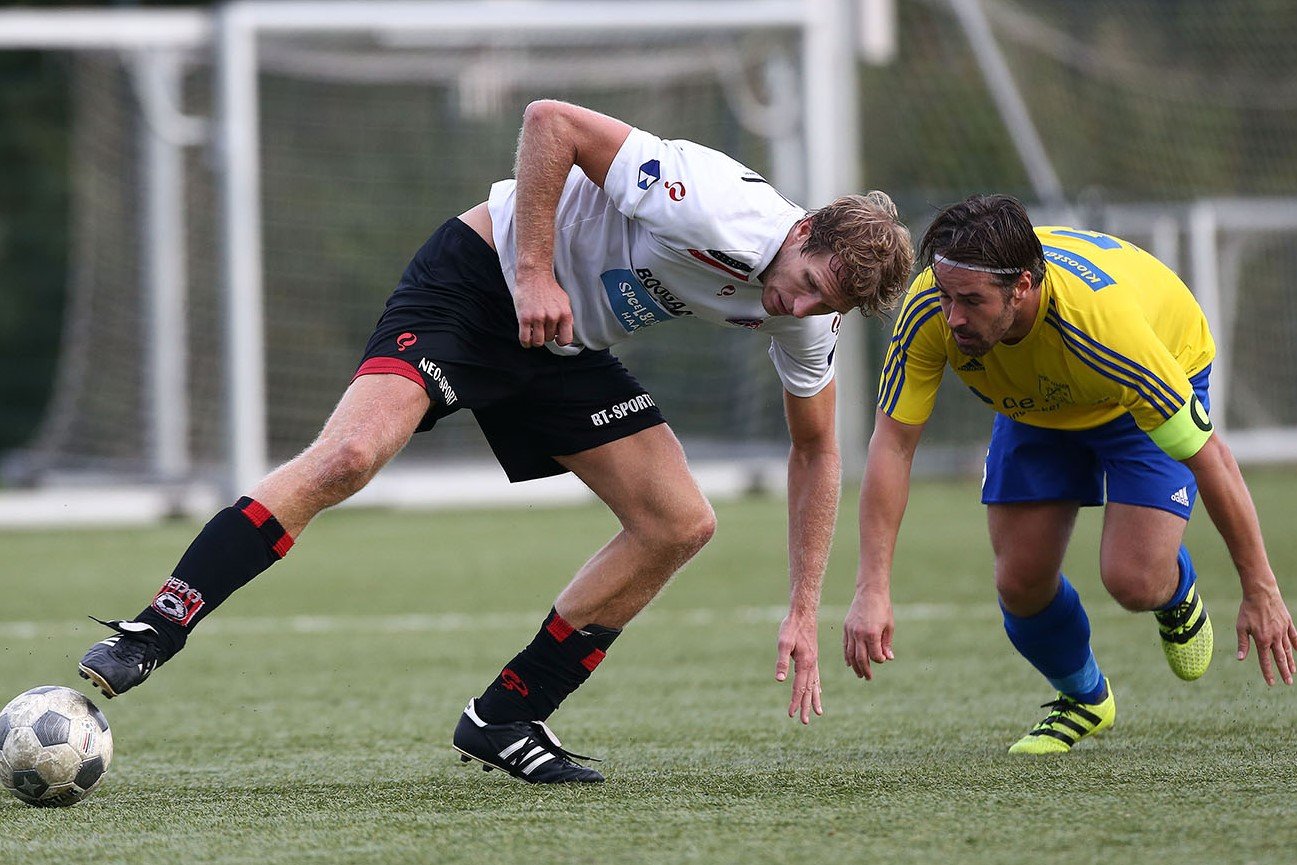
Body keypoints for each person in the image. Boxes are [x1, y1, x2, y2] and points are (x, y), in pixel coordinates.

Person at [77, 100, 915, 783]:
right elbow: (551, 120)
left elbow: (816, 452)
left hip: (563, 344)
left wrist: (804, 606)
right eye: (804, 287)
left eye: (821, 308)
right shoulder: (711, 200)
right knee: (349, 457)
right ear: (801, 232)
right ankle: (153, 631)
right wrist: (534, 271)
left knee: (679, 521)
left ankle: (507, 715)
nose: (796, 311)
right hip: (481, 284)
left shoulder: (810, 318)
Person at [842, 193, 1297, 754]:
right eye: (944, 294)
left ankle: (1175, 592)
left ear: (1023, 289)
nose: (953, 315)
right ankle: (1085, 697)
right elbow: (893, 445)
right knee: (1019, 582)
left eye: (971, 301)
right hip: (1034, 403)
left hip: (1138, 392)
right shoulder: (931, 312)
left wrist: (1261, 589)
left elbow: (1212, 459)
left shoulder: (1110, 335)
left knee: (1134, 580)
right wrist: (872, 589)